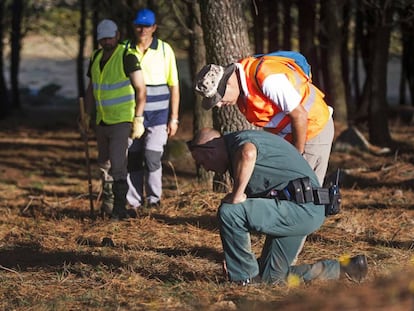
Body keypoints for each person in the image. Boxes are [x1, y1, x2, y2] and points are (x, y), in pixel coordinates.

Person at [187, 127, 368, 285]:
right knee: (271, 278)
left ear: (210, 150)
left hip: (300, 208)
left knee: (230, 211)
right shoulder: (238, 144)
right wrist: (236, 258)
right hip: (306, 209)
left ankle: (244, 281)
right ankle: (346, 269)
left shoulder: (238, 142)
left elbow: (248, 153)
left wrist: (237, 194)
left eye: (202, 162)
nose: (205, 168)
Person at [194, 55, 334, 186]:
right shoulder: (243, 92)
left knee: (304, 189)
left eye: (219, 98)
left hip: (313, 129)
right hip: (292, 135)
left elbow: (300, 116)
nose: (218, 105)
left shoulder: (268, 79)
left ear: (229, 83)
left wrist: (296, 158)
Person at [82, 19, 146, 220]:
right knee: (104, 164)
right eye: (103, 39)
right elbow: (92, 89)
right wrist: (86, 114)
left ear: (117, 36)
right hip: (101, 120)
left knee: (118, 164)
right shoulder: (95, 57)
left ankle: (120, 210)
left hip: (121, 120)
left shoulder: (127, 56)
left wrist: (138, 118)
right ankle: (108, 206)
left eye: (110, 37)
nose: (106, 42)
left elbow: (141, 89)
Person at [126, 8, 180, 211]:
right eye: (139, 25)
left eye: (146, 26)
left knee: (152, 156)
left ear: (154, 27)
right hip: (132, 113)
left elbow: (174, 85)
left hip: (159, 115)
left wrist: (174, 118)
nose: (142, 29)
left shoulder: (165, 50)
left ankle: (154, 199)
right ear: (134, 26)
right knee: (133, 158)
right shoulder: (125, 48)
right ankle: (133, 202)